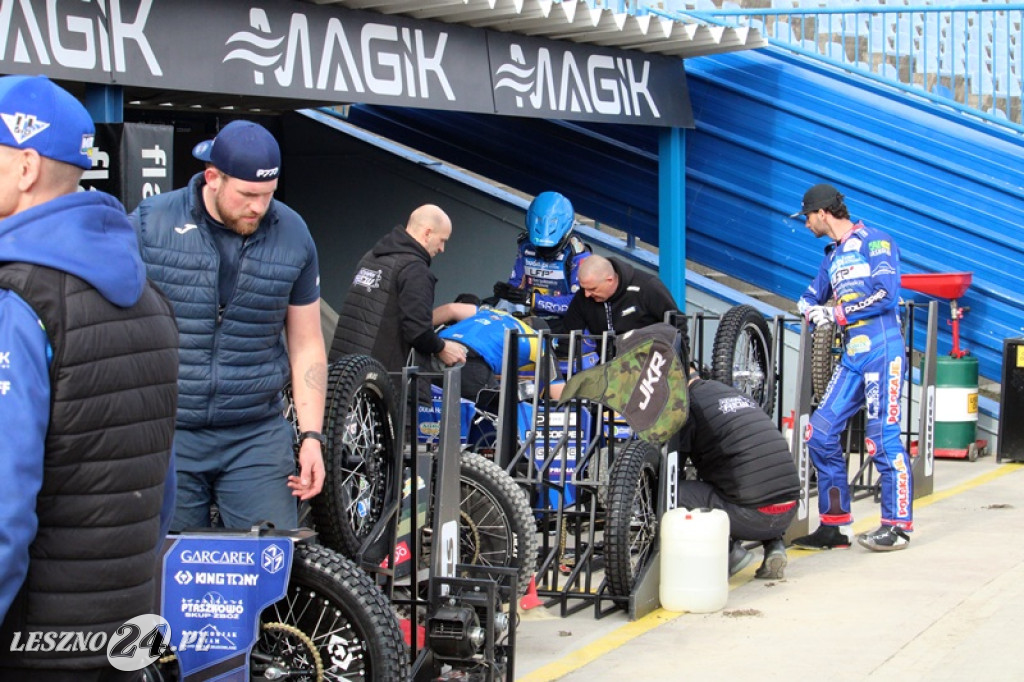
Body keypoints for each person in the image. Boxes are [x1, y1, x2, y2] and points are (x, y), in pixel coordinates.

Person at [0, 75, 178, 678]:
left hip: (32, 644)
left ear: (26, 166)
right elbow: (161, 489)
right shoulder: (149, 297)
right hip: (122, 632)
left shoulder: (19, 300)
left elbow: (2, 507)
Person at [131, 119, 326, 532]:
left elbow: (307, 343)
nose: (259, 207)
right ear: (213, 177)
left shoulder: (293, 233)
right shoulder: (151, 224)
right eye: (248, 195)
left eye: (268, 195)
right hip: (168, 431)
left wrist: (312, 437)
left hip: (254, 432)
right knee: (168, 572)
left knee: (270, 564)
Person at [789, 183, 913, 552]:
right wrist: (809, 306)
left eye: (808, 216)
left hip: (882, 349)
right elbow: (812, 294)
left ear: (823, 212)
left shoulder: (876, 241)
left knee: (882, 437)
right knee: (820, 434)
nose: (806, 223)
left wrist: (837, 312)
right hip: (852, 355)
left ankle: (897, 526)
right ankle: (835, 525)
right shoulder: (832, 255)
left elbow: (886, 293)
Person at [676, 373, 801, 579]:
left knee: (671, 492)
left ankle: (731, 554)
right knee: (752, 479)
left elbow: (674, 468)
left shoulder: (687, 406)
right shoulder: (736, 395)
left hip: (751, 516)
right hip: (789, 510)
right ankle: (775, 546)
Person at [330, 204, 467, 373]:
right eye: (442, 240)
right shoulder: (415, 270)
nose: (442, 249)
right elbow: (418, 331)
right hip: (378, 382)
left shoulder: (371, 258)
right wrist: (442, 348)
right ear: (427, 233)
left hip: (342, 373)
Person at [431, 294, 564, 402]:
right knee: (497, 414)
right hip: (469, 360)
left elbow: (451, 309)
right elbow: (559, 394)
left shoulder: (493, 313)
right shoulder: (540, 342)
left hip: (436, 348)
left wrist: (418, 329)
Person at [562, 254, 690, 360]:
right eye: (583, 288)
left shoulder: (647, 287)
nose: (587, 294)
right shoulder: (583, 297)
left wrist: (682, 364)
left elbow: (677, 323)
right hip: (606, 370)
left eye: (592, 288)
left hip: (649, 367)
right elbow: (569, 334)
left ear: (610, 280)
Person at [493, 191, 590, 327]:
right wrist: (507, 292)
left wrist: (532, 300)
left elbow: (579, 303)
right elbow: (517, 284)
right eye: (539, 246)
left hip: (569, 325)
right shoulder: (525, 246)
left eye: (551, 247)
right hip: (534, 320)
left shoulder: (578, 255)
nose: (545, 252)